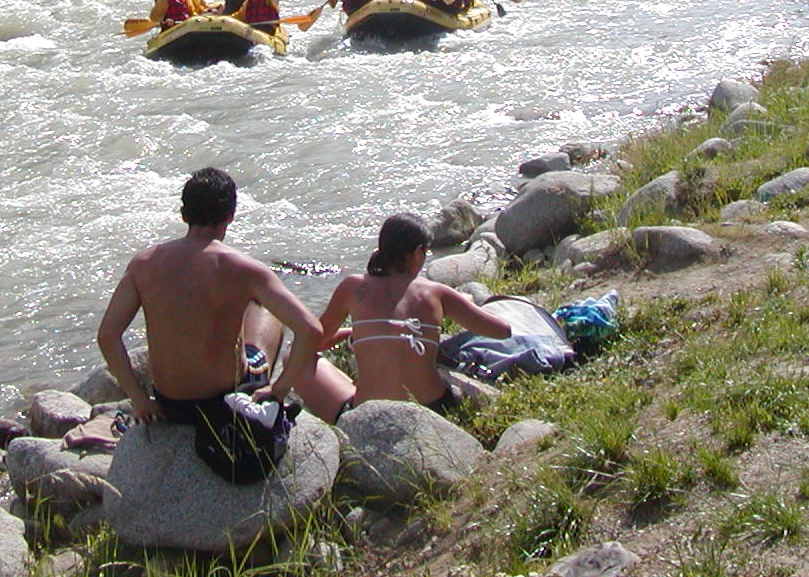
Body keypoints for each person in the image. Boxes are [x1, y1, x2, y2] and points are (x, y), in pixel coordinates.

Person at [96, 168, 328, 462]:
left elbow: (107, 336)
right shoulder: (245, 269)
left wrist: (139, 399)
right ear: (230, 216)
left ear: (183, 214)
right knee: (264, 312)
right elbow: (311, 330)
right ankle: (260, 373)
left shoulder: (144, 263)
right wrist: (279, 390)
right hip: (224, 398)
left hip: (171, 403)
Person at [302, 213, 512, 422]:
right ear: (417, 251)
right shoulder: (436, 292)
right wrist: (465, 302)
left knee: (299, 360)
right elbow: (502, 330)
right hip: (434, 408)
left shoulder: (353, 286)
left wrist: (361, 332)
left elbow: (316, 342)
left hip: (368, 411)